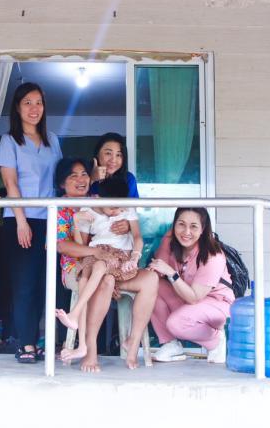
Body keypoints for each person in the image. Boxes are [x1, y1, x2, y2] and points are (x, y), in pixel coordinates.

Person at [0, 82, 62, 364]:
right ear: (17, 107)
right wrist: (22, 220)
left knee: (49, 284)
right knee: (25, 284)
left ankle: (48, 341)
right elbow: (10, 182)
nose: (34, 108)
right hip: (20, 220)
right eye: (27, 102)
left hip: (51, 220)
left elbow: (60, 181)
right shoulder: (9, 140)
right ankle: (26, 343)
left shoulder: (53, 140)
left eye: (38, 102)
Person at [55, 173, 142, 360]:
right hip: (94, 253)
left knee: (100, 267)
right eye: (112, 207)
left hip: (117, 257)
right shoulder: (89, 210)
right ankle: (82, 346)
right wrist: (76, 221)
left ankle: (75, 314)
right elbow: (81, 246)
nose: (115, 212)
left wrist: (135, 257)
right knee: (84, 279)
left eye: (119, 207)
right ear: (99, 198)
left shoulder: (127, 210)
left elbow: (138, 237)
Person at [147, 207, 235, 361]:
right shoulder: (173, 245)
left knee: (176, 323)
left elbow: (194, 297)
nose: (186, 231)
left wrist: (171, 273)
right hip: (189, 301)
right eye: (181, 224)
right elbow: (157, 271)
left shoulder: (212, 255)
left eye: (193, 226)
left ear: (203, 229)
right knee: (152, 284)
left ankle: (216, 341)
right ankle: (170, 344)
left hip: (218, 306)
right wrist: (167, 238)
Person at [87, 132, 139, 197]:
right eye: (108, 153)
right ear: (97, 153)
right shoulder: (84, 175)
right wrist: (92, 179)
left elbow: (130, 203)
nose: (113, 160)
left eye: (118, 155)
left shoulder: (128, 179)